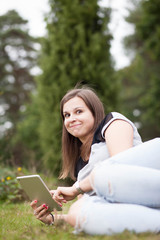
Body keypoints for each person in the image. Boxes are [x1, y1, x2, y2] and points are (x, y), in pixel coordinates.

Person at [30, 86, 160, 235]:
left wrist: (76, 188)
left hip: (148, 187)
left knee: (103, 174)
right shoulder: (80, 167)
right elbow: (88, 207)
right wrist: (53, 218)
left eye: (78, 111)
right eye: (66, 115)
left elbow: (119, 172)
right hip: (138, 206)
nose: (72, 119)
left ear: (94, 112)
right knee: (77, 211)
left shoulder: (113, 123)